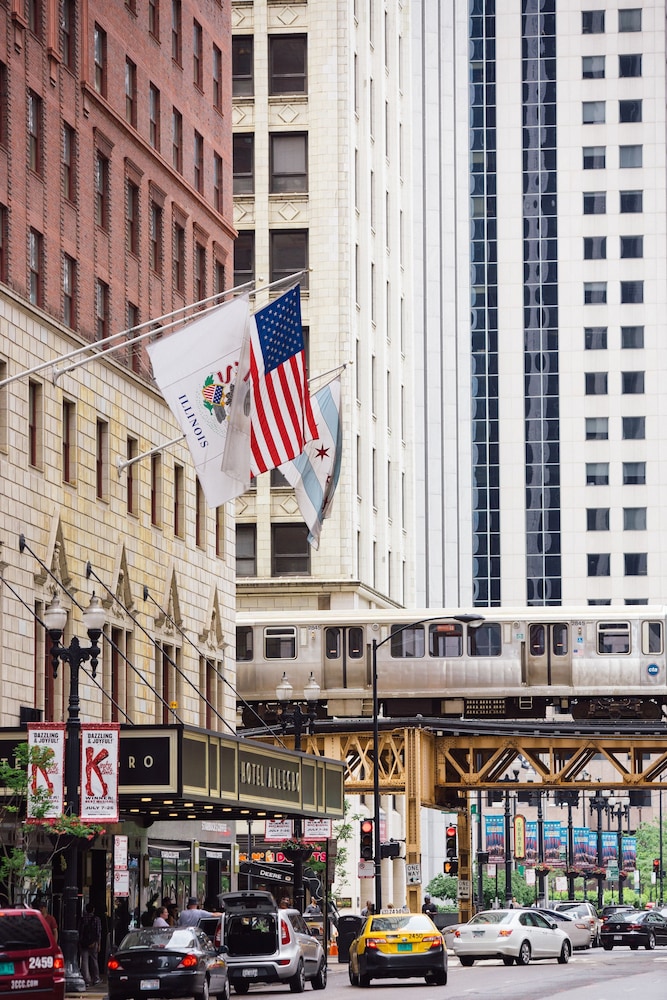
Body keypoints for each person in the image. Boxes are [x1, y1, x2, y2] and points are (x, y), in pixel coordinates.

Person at [78, 903, 102, 988]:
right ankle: (96, 978)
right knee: (94, 960)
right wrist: (98, 943)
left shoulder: (82, 919)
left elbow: (80, 931)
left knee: (84, 962)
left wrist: (80, 942)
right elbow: (98, 933)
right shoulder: (96, 919)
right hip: (93, 943)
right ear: (93, 910)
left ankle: (87, 979)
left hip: (84, 943)